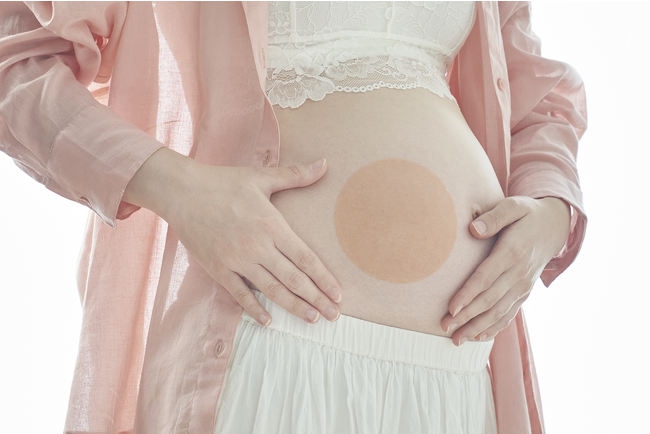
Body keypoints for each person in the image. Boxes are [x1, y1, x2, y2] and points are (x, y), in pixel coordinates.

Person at [0, 1, 587, 434]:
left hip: (457, 376)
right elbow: (16, 62)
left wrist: (550, 214)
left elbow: (539, 104)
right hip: (269, 345)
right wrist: (180, 191)